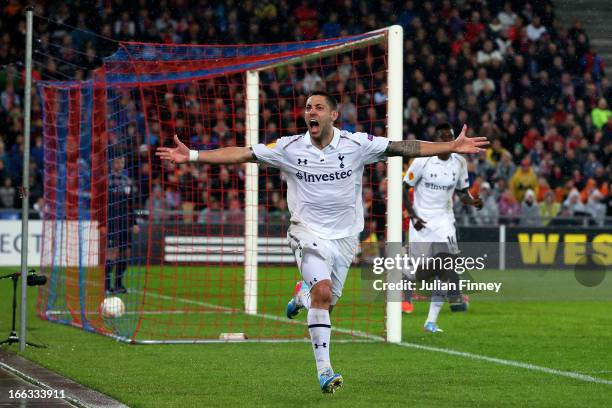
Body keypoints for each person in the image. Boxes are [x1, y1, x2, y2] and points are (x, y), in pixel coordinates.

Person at [156, 91, 488, 393]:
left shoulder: (356, 144)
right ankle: (325, 370)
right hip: (306, 232)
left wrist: (450, 146)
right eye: (306, 108)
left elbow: (402, 147)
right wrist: (195, 155)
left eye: (318, 107)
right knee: (324, 292)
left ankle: (302, 296)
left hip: (345, 239)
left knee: (325, 301)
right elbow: (243, 154)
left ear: (332, 114)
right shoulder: (288, 147)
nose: (310, 112)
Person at [400, 123, 483, 333]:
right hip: (421, 222)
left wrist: (472, 201)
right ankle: (406, 278)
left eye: (449, 137)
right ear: (436, 140)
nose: (446, 140)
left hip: (445, 221)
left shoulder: (459, 162)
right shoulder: (421, 161)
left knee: (446, 267)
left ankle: (431, 321)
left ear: (454, 139)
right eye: (441, 137)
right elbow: (404, 188)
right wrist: (412, 215)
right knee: (421, 272)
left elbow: (463, 192)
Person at [105, 155, 139, 294]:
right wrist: (103, 223)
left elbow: (131, 204)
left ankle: (119, 284)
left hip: (125, 222)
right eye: (117, 162)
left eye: (122, 162)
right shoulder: (107, 180)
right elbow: (104, 204)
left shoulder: (127, 181)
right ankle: (106, 286)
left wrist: (134, 222)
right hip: (112, 222)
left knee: (126, 253)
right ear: (112, 163)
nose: (120, 164)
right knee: (112, 253)